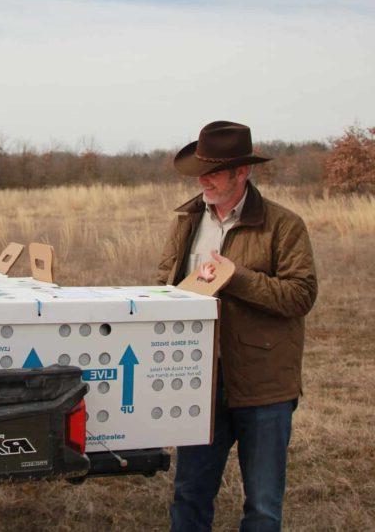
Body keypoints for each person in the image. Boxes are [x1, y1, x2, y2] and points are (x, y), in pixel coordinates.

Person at [157, 121, 318, 532]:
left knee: (263, 506)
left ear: (241, 172)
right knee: (189, 495)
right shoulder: (188, 221)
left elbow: (301, 295)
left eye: (212, 171)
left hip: (265, 387)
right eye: (200, 171)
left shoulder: (284, 225)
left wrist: (237, 278)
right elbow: (165, 283)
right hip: (200, 381)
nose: (202, 179)